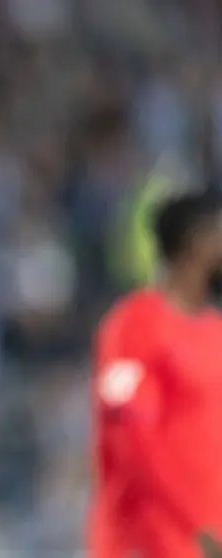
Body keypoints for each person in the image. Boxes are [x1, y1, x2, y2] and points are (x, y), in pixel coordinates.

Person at [89, 189, 222, 558]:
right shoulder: (131, 328)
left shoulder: (214, 330)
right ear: (196, 243)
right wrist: (197, 524)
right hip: (148, 543)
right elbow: (128, 437)